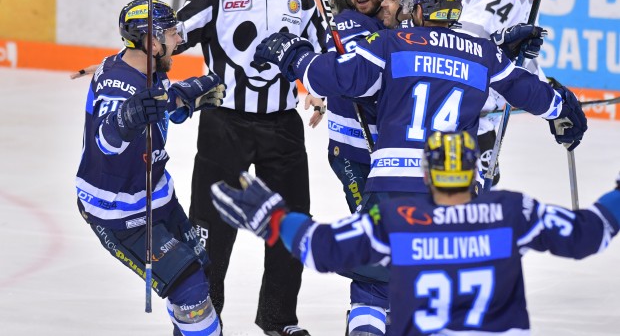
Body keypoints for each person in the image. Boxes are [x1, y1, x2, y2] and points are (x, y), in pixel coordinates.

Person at [250, 0, 588, 332]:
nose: (385, 6)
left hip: (395, 184)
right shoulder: (483, 52)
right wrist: (564, 110)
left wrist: (293, 55)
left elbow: (334, 78)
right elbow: (532, 93)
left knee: (373, 288)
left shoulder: (391, 45)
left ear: (418, 9)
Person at [209, 130, 620, 336]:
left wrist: (274, 218)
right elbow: (590, 234)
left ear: (427, 174)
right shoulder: (512, 212)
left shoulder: (398, 220)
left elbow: (322, 248)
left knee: (369, 288)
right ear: (474, 171)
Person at [172, 0, 326, 334]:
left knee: (291, 222)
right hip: (225, 125)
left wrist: (320, 91)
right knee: (210, 227)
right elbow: (172, 36)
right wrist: (150, 37)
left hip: (283, 128)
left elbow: (324, 57)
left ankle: (279, 319)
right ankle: (202, 320)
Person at [75, 0, 226, 336]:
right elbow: (106, 140)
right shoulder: (118, 85)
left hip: (157, 198)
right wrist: (125, 120)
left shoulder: (149, 70)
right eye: (171, 33)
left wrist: (184, 97)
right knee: (190, 290)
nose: (178, 40)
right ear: (150, 41)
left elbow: (157, 105)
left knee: (197, 273)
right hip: (120, 212)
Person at [458, 0, 561, 186]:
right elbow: (467, 41)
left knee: (486, 182)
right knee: (471, 188)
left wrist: (548, 89)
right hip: (470, 112)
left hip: (484, 112)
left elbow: (521, 57)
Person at [322, 0, 389, 335]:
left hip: (393, 155)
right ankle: (365, 319)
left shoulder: (389, 16)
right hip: (354, 152)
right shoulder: (347, 24)